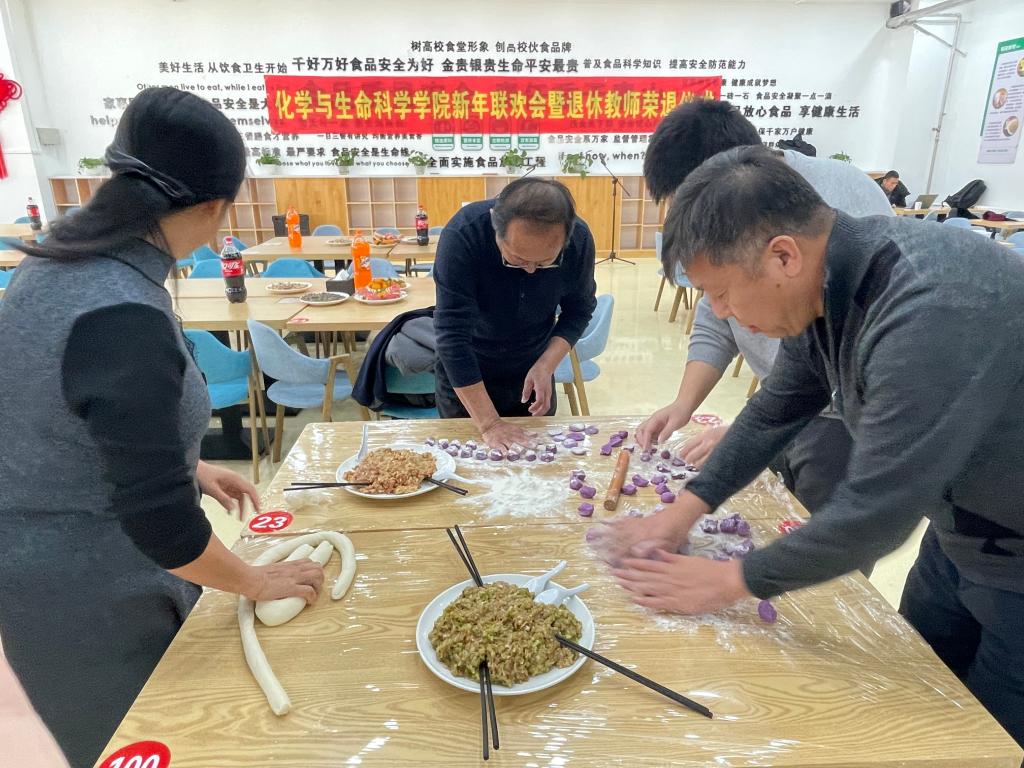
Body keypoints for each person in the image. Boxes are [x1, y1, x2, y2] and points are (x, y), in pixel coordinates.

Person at [602, 146, 1024, 747]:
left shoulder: (927, 307)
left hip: (1013, 552)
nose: (722, 314)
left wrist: (730, 580)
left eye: (722, 293)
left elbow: (876, 514)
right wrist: (682, 512)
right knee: (924, 701)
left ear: (783, 256)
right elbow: (777, 407)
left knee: (989, 741)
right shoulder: (833, 282)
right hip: (960, 535)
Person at [0, 87, 325, 767]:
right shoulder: (120, 310)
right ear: (213, 208)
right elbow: (161, 525)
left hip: (40, 564)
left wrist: (186, 463)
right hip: (86, 591)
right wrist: (255, 580)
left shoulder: (58, 261)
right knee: (144, 734)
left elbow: (65, 410)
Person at [637, 99, 893, 518]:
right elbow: (716, 306)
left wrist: (751, 431)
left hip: (840, 417)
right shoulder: (736, 215)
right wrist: (686, 404)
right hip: (785, 397)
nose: (724, 309)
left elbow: (868, 523)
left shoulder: (837, 206)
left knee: (818, 531)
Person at [433, 177, 597, 450]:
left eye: (544, 263)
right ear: (495, 226)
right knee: (470, 464)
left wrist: (547, 364)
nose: (530, 271)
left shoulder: (578, 239)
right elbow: (452, 336)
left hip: (533, 368)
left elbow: (579, 310)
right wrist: (489, 424)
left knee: (535, 462)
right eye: (517, 259)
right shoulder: (464, 234)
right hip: (468, 371)